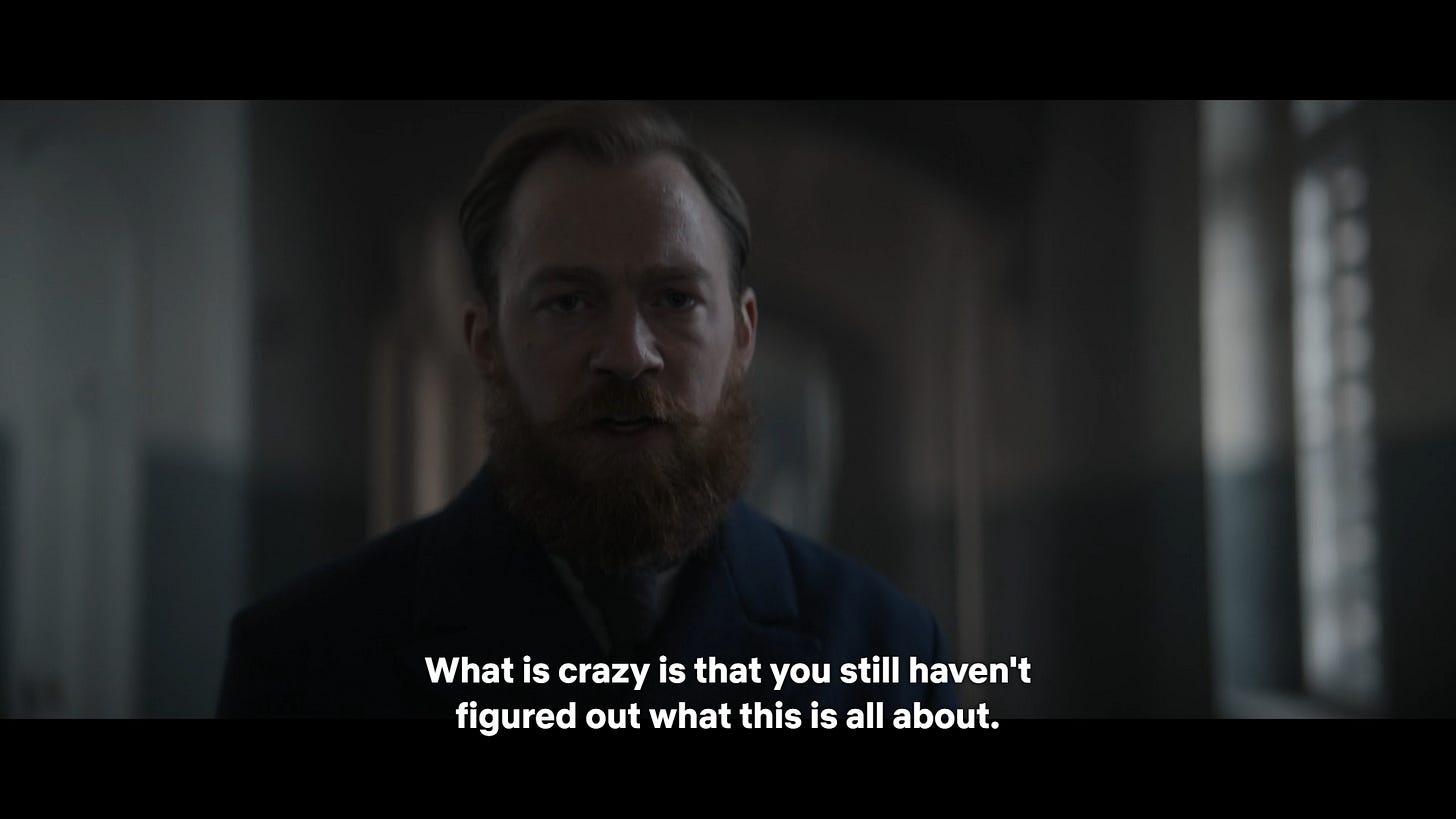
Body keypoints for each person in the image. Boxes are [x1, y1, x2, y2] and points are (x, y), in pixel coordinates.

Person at [217, 101, 957, 721]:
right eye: (568, 302)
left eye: (675, 299)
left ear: (742, 336)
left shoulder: (891, 660)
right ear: (486, 343)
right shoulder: (302, 665)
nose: (628, 355)